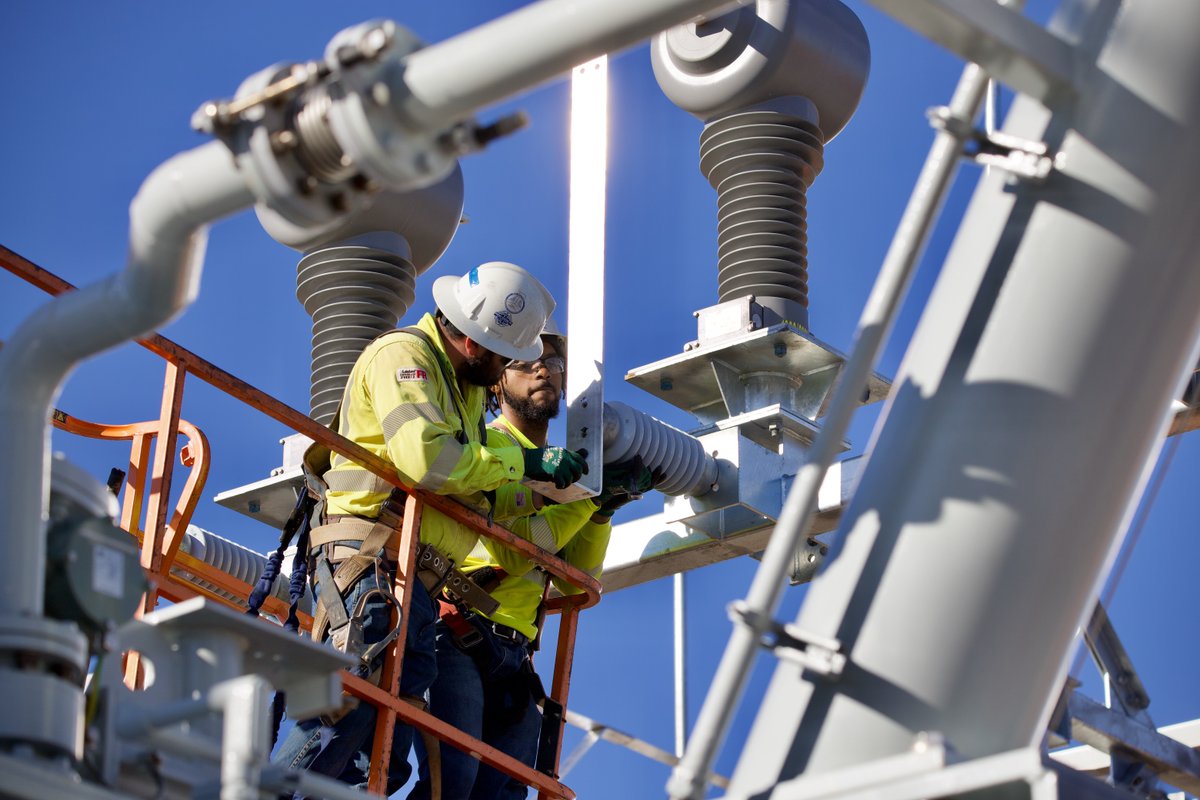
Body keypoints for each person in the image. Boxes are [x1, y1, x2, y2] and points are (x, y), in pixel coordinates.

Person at [272, 262, 589, 798]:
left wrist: (585, 503)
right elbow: (427, 462)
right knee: (348, 699)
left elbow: (472, 488)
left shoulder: (461, 386)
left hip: (412, 575)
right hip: (368, 554)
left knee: (385, 746)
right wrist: (524, 465)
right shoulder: (404, 356)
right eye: (503, 358)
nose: (504, 373)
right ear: (471, 341)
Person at [409, 320, 654, 799]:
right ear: (498, 378)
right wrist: (585, 503)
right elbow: (514, 551)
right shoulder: (490, 447)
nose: (544, 369)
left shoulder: (562, 467)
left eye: (554, 362)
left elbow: (576, 579)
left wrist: (600, 512)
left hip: (515, 652)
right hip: (459, 633)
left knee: (503, 793)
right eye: (525, 361)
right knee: (452, 782)